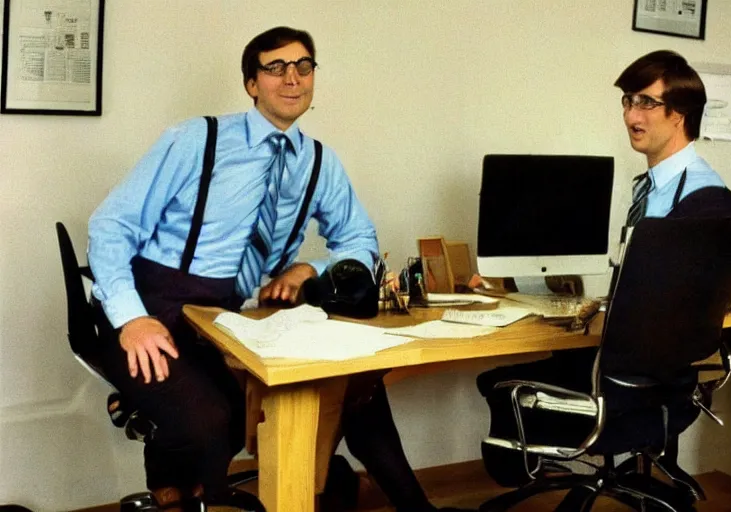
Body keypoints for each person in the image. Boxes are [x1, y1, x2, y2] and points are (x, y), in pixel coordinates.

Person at [89, 26, 468, 512]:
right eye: (276, 67)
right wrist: (130, 318)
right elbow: (111, 225)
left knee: (354, 379)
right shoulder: (196, 139)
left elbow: (360, 241)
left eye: (303, 66)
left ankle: (409, 506)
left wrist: (309, 267)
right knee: (212, 421)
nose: (292, 78)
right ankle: (179, 483)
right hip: (155, 303)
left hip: (232, 314)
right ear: (252, 83)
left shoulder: (318, 163)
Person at [476, 49, 731, 457]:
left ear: (679, 114)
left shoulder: (693, 205)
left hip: (625, 390)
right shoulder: (673, 190)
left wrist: (604, 315)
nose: (630, 117)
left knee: (494, 381)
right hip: (667, 385)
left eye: (646, 103)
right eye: (628, 101)